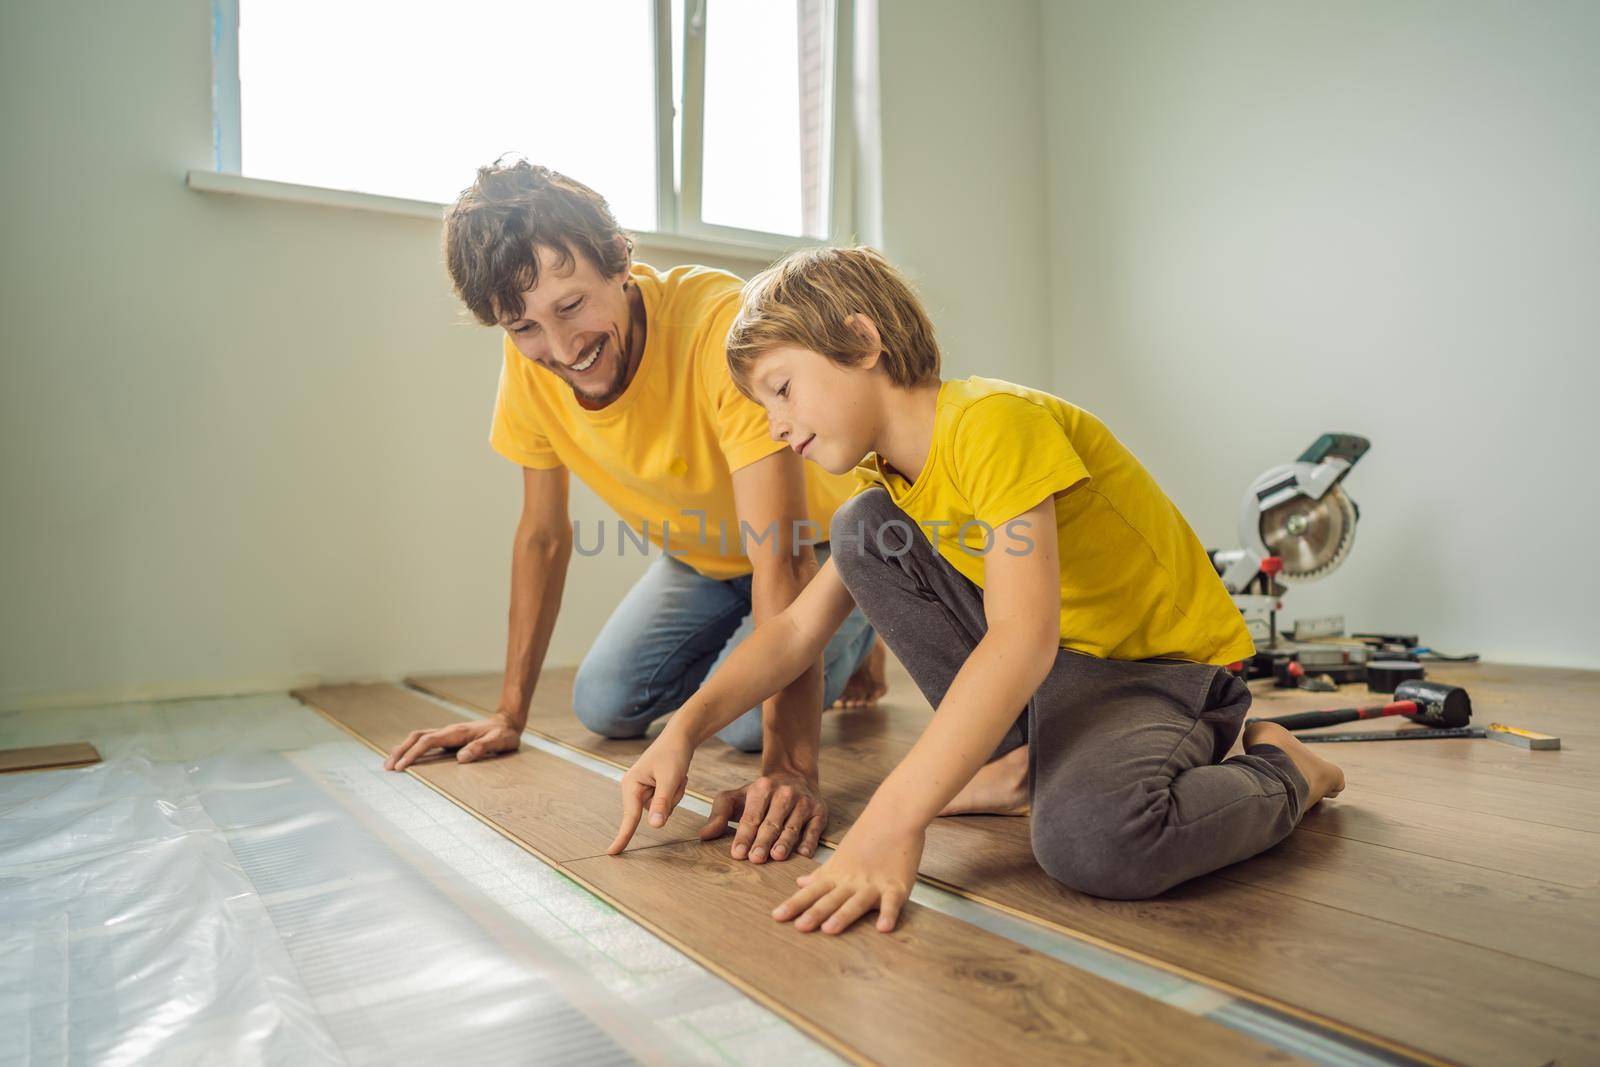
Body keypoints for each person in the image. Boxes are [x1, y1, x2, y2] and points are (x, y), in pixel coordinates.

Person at [608, 245, 1345, 930]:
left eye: (782, 389)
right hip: (1054, 678)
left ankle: (1285, 770)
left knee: (1095, 845)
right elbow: (798, 630)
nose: (775, 426)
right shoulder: (884, 483)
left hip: (1156, 676)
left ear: (862, 342)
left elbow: (1024, 637)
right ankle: (1020, 766)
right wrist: (683, 729)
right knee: (863, 525)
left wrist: (895, 818)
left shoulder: (994, 423)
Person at [384, 162, 887, 865]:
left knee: (747, 725)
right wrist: (509, 712)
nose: (562, 350)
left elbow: (781, 553)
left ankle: (865, 623)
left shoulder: (719, 326)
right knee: (605, 703)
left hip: (818, 550)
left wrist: (789, 768)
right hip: (702, 559)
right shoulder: (530, 363)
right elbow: (542, 535)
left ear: (621, 258)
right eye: (523, 325)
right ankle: (787, 645)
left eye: (571, 306)